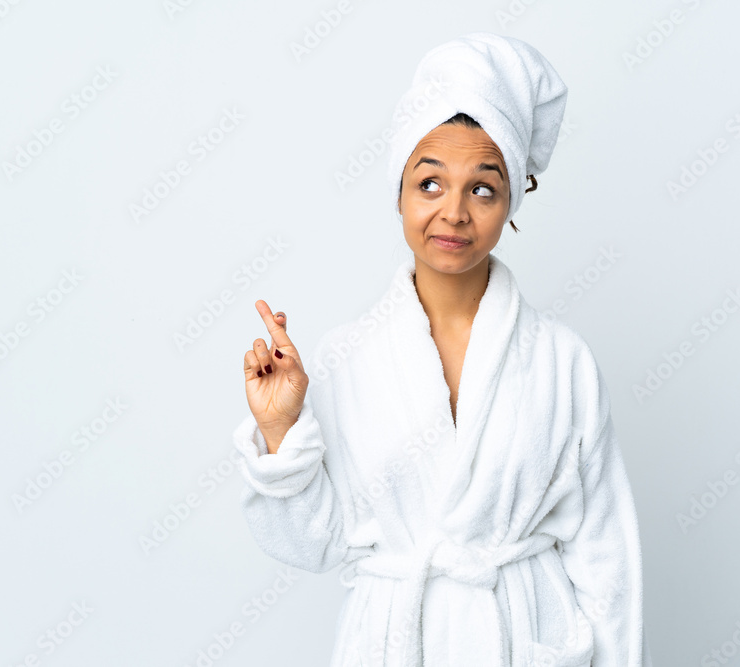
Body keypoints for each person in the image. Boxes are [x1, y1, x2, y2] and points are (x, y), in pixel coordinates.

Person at [234, 32, 652, 666]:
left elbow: (607, 560)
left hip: (520, 640)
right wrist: (281, 431)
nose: (453, 212)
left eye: (482, 188)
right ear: (399, 192)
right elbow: (314, 545)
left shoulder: (562, 363)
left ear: (511, 200)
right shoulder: (351, 356)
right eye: (430, 183)